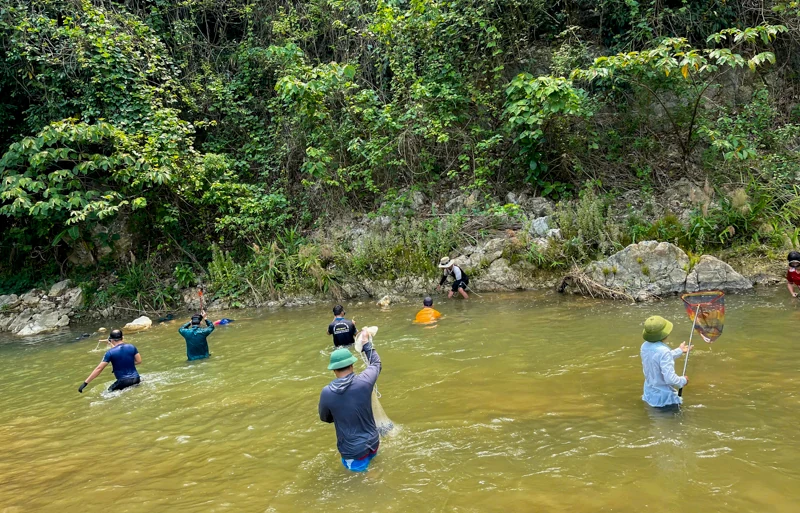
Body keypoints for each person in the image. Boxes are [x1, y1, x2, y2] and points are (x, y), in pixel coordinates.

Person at [318, 340, 382, 472]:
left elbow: (325, 418)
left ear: (334, 370)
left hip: (353, 450)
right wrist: (366, 344)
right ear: (352, 365)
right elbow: (376, 363)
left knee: (361, 480)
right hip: (374, 442)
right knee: (373, 464)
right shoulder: (365, 381)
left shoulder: (327, 392)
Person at [640, 315, 692, 408]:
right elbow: (670, 379)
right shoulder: (664, 351)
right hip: (664, 399)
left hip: (649, 395)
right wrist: (683, 380)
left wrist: (679, 350)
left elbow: (657, 358)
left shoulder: (644, 346)